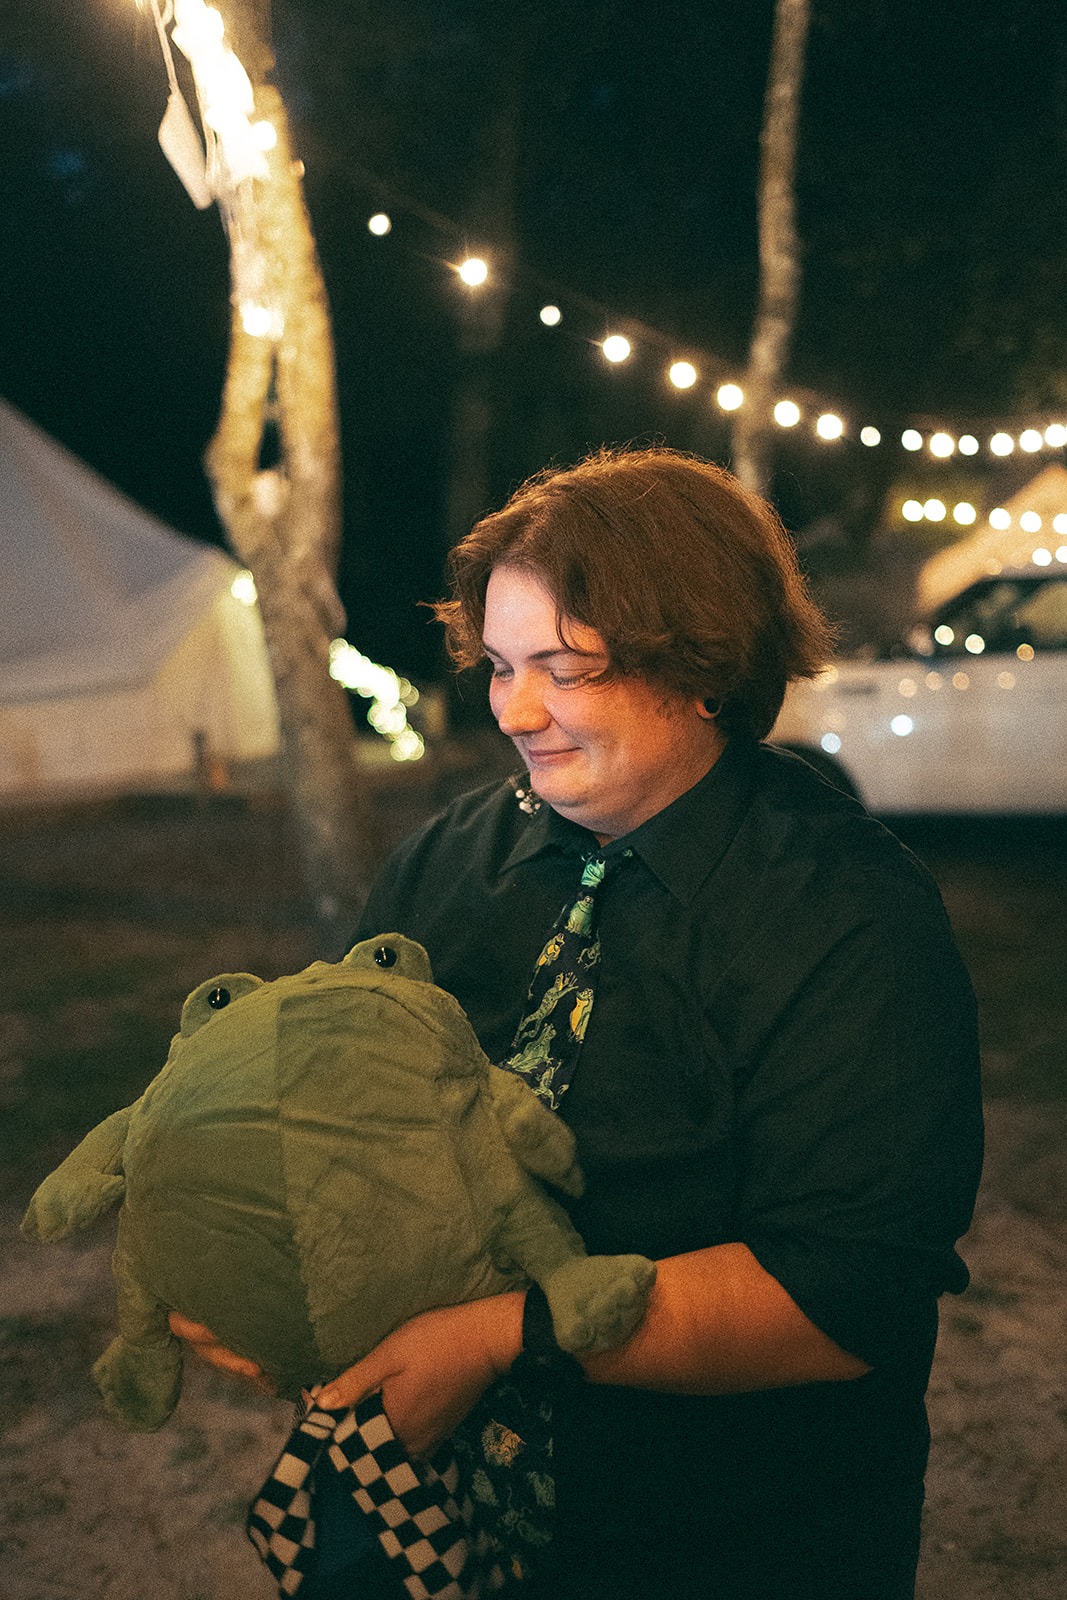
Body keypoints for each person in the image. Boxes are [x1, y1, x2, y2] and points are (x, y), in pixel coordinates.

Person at [175, 446, 984, 1600]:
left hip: (720, 1536)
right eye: (501, 665)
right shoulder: (452, 860)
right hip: (433, 1516)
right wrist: (262, 1260)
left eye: (564, 668)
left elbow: (843, 1296)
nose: (515, 711)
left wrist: (497, 1335)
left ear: (701, 664)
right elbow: (341, 1116)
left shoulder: (844, 913)